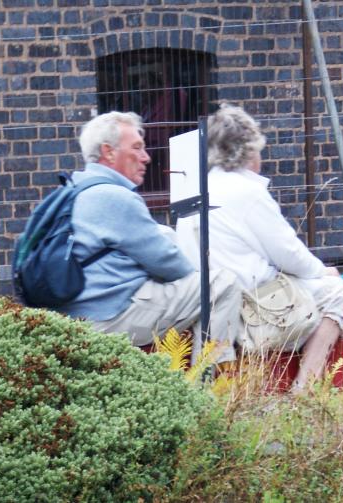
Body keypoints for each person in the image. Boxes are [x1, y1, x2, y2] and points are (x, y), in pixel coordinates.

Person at [177, 104, 343, 393]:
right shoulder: (247, 192)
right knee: (337, 294)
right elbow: (289, 254)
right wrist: (325, 272)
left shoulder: (198, 188)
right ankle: (305, 393)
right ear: (249, 150)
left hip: (208, 305)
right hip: (250, 306)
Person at [58, 111, 241, 363]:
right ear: (108, 152)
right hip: (108, 316)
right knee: (221, 285)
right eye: (137, 148)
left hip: (66, 315)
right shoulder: (116, 197)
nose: (146, 157)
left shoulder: (68, 192)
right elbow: (171, 265)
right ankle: (208, 385)